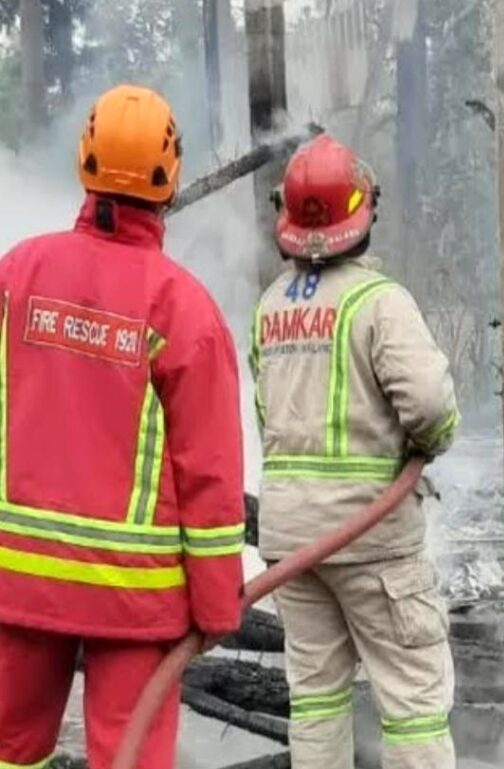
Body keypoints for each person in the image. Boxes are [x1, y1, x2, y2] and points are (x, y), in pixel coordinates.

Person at [0, 84, 246, 769]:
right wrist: (217, 602)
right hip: (133, 598)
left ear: (85, 161)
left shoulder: (16, 275)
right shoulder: (183, 309)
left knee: (8, 752)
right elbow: (211, 473)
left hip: (15, 581)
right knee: (130, 759)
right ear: (170, 181)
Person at [250, 134, 460, 769]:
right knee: (413, 693)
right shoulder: (380, 303)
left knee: (314, 697)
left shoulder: (268, 308)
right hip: (370, 537)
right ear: (363, 215)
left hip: (293, 542)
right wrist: (430, 442)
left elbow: (266, 413)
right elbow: (430, 408)